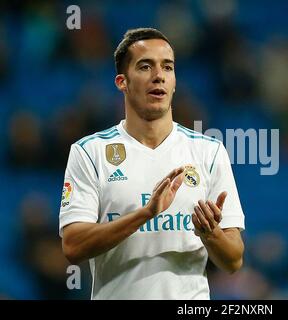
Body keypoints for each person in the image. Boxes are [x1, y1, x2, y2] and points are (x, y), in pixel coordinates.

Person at [59, 28, 245, 300]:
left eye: (167, 67)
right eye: (145, 66)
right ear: (122, 82)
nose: (159, 75)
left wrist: (210, 234)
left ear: (174, 81)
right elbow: (73, 246)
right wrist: (145, 214)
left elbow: (233, 261)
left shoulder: (209, 151)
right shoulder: (90, 152)